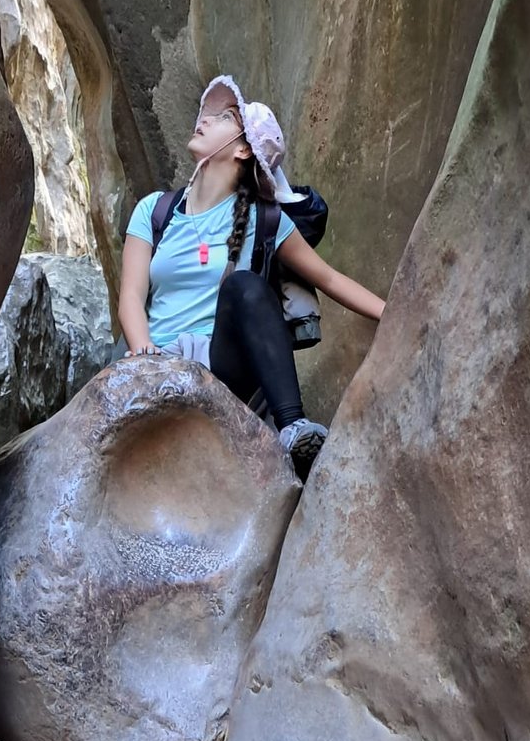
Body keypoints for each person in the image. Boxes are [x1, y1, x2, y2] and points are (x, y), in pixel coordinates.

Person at [118, 75, 385, 474]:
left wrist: (394, 313)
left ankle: (294, 430)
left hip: (223, 365)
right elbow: (130, 296)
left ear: (243, 149)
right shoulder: (154, 211)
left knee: (244, 285)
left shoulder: (266, 220)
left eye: (224, 117)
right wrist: (144, 354)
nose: (204, 120)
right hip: (158, 360)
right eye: (207, 115)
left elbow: (330, 279)